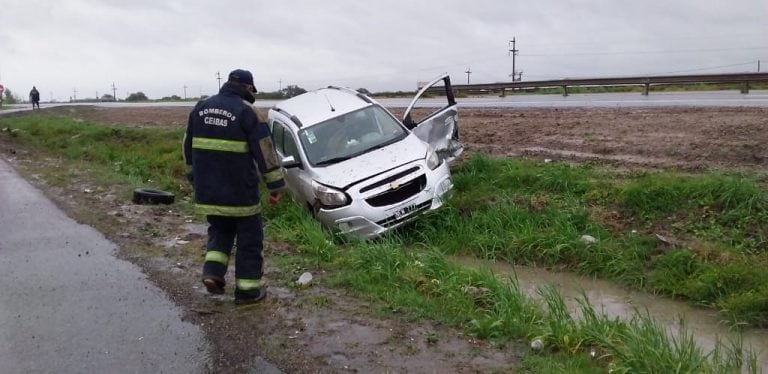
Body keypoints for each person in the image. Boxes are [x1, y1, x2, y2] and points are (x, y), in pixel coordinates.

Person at [183, 69, 285, 305]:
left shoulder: (200, 108)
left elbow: (187, 147)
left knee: (220, 231)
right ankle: (248, 291)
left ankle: (213, 273)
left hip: (209, 190)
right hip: (241, 193)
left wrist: (194, 178)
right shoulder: (247, 112)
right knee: (250, 240)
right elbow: (265, 152)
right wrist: (276, 186)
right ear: (248, 88)